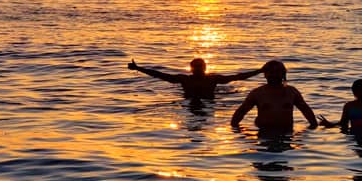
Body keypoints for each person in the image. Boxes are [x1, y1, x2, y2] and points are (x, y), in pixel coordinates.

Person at [230, 60, 318, 133]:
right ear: (265, 74)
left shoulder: (291, 92)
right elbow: (240, 113)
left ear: (283, 74)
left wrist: (313, 127)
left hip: (286, 133)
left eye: (277, 72)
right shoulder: (257, 93)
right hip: (264, 133)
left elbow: (306, 111)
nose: (273, 75)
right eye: (270, 72)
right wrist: (237, 131)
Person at [128, 57, 264, 100]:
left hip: (209, 103)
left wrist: (260, 71)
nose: (199, 69)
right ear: (191, 68)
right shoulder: (185, 79)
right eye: (196, 66)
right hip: (189, 103)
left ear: (205, 68)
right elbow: (161, 75)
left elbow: (238, 77)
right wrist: (139, 68)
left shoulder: (213, 79)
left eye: (201, 66)